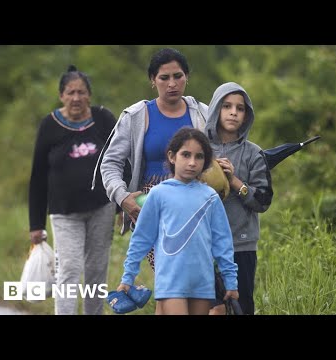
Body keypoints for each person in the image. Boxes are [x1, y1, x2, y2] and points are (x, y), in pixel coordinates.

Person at [98, 48, 208, 314]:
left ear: (187, 77)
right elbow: (110, 163)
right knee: (171, 281)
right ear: (152, 80)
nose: (172, 84)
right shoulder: (137, 116)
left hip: (196, 207)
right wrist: (123, 197)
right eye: (164, 77)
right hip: (152, 206)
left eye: (178, 76)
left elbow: (219, 154)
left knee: (190, 286)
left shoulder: (203, 114)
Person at [116, 127, 239, 315]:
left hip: (202, 282)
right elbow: (141, 239)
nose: (192, 162)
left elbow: (223, 242)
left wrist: (231, 281)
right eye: (186, 155)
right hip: (170, 280)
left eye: (199, 157)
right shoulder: (158, 194)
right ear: (172, 157)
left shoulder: (211, 197)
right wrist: (128, 277)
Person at [28, 65, 120, 315]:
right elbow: (38, 176)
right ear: (61, 95)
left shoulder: (103, 119)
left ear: (89, 94)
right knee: (68, 269)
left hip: (102, 207)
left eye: (81, 92)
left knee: (96, 271)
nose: (76, 98)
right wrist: (36, 224)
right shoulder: (49, 125)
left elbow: (122, 160)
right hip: (64, 213)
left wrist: (122, 205)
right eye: (70, 93)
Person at [205, 82, 273, 315]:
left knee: (241, 307)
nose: (233, 112)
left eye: (240, 108)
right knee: (212, 308)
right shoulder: (199, 148)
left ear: (246, 115)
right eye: (227, 106)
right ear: (216, 109)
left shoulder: (254, 153)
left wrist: (234, 181)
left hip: (241, 244)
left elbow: (263, 201)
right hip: (204, 244)